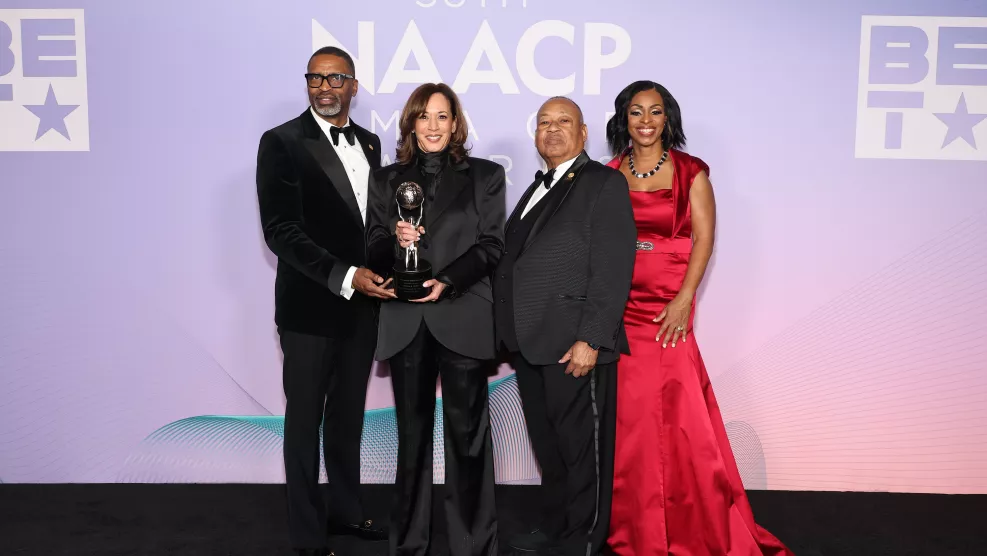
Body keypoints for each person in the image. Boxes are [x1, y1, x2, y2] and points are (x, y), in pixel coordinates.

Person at [603, 80, 794, 555]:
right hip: (621, 311)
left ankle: (691, 525)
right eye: (635, 112)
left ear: (669, 118)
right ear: (622, 120)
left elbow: (704, 239)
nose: (646, 121)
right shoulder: (608, 173)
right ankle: (635, 528)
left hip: (667, 309)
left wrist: (686, 297)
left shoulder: (691, 173)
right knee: (630, 427)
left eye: (655, 112)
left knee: (681, 422)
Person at [256, 46, 393, 556]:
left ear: (353, 86)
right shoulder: (282, 142)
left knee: (347, 418)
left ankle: (346, 513)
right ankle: (308, 535)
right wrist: (346, 275)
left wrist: (393, 257)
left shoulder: (373, 144)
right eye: (316, 77)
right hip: (310, 308)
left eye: (336, 78)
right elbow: (281, 232)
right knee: (305, 420)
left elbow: (369, 228)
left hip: (363, 306)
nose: (325, 87)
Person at [492, 96, 637, 556]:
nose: (552, 130)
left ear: (584, 132)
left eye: (563, 122)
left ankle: (585, 542)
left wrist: (592, 338)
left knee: (581, 453)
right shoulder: (540, 185)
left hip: (576, 344)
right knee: (549, 448)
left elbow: (613, 268)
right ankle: (556, 529)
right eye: (544, 123)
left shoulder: (603, 183)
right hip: (531, 344)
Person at [365, 82, 505, 556]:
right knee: (412, 440)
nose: (432, 126)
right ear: (410, 123)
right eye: (424, 116)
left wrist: (446, 279)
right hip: (406, 319)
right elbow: (374, 244)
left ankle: (473, 545)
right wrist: (396, 242)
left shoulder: (485, 176)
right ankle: (408, 546)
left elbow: (491, 245)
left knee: (468, 438)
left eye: (442, 117)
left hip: (460, 314)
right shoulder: (386, 180)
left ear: (455, 123)